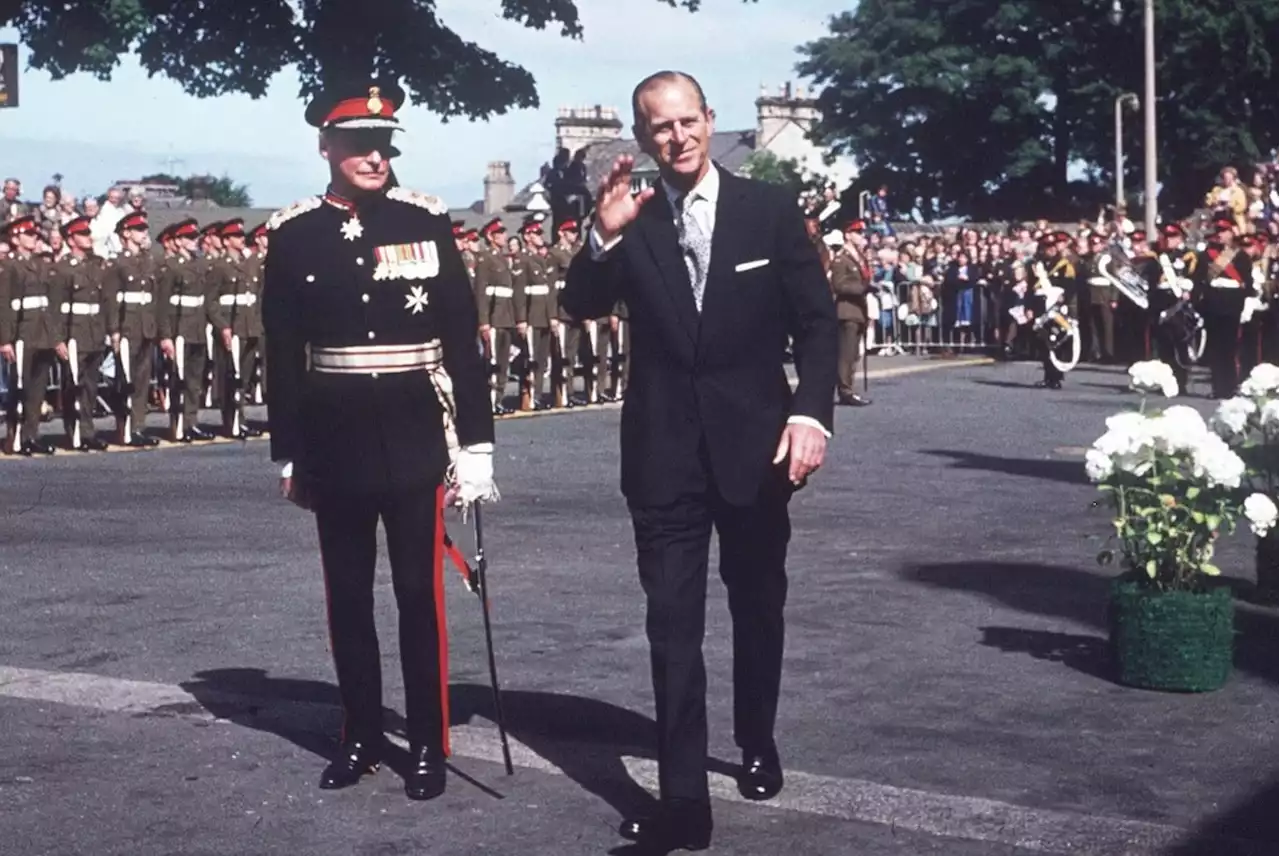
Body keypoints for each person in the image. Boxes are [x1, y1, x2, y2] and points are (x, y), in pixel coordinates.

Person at [561, 70, 838, 852]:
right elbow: (580, 304)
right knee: (672, 625)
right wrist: (602, 232)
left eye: (687, 122)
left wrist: (811, 412)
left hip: (758, 452)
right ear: (643, 136)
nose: (676, 137)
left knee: (757, 608)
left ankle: (756, 737)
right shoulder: (633, 217)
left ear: (711, 121)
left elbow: (819, 326)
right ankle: (683, 799)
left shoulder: (769, 211)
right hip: (662, 455)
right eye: (659, 127)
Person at [261, 79, 497, 802]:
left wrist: (477, 447)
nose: (374, 156)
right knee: (349, 598)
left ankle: (426, 742)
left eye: (384, 144)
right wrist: (290, 451)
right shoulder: (294, 234)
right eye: (359, 144)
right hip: (335, 436)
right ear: (326, 147)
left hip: (413, 428)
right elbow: (283, 349)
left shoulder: (424, 221)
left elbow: (461, 336)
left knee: (418, 596)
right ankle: (360, 732)